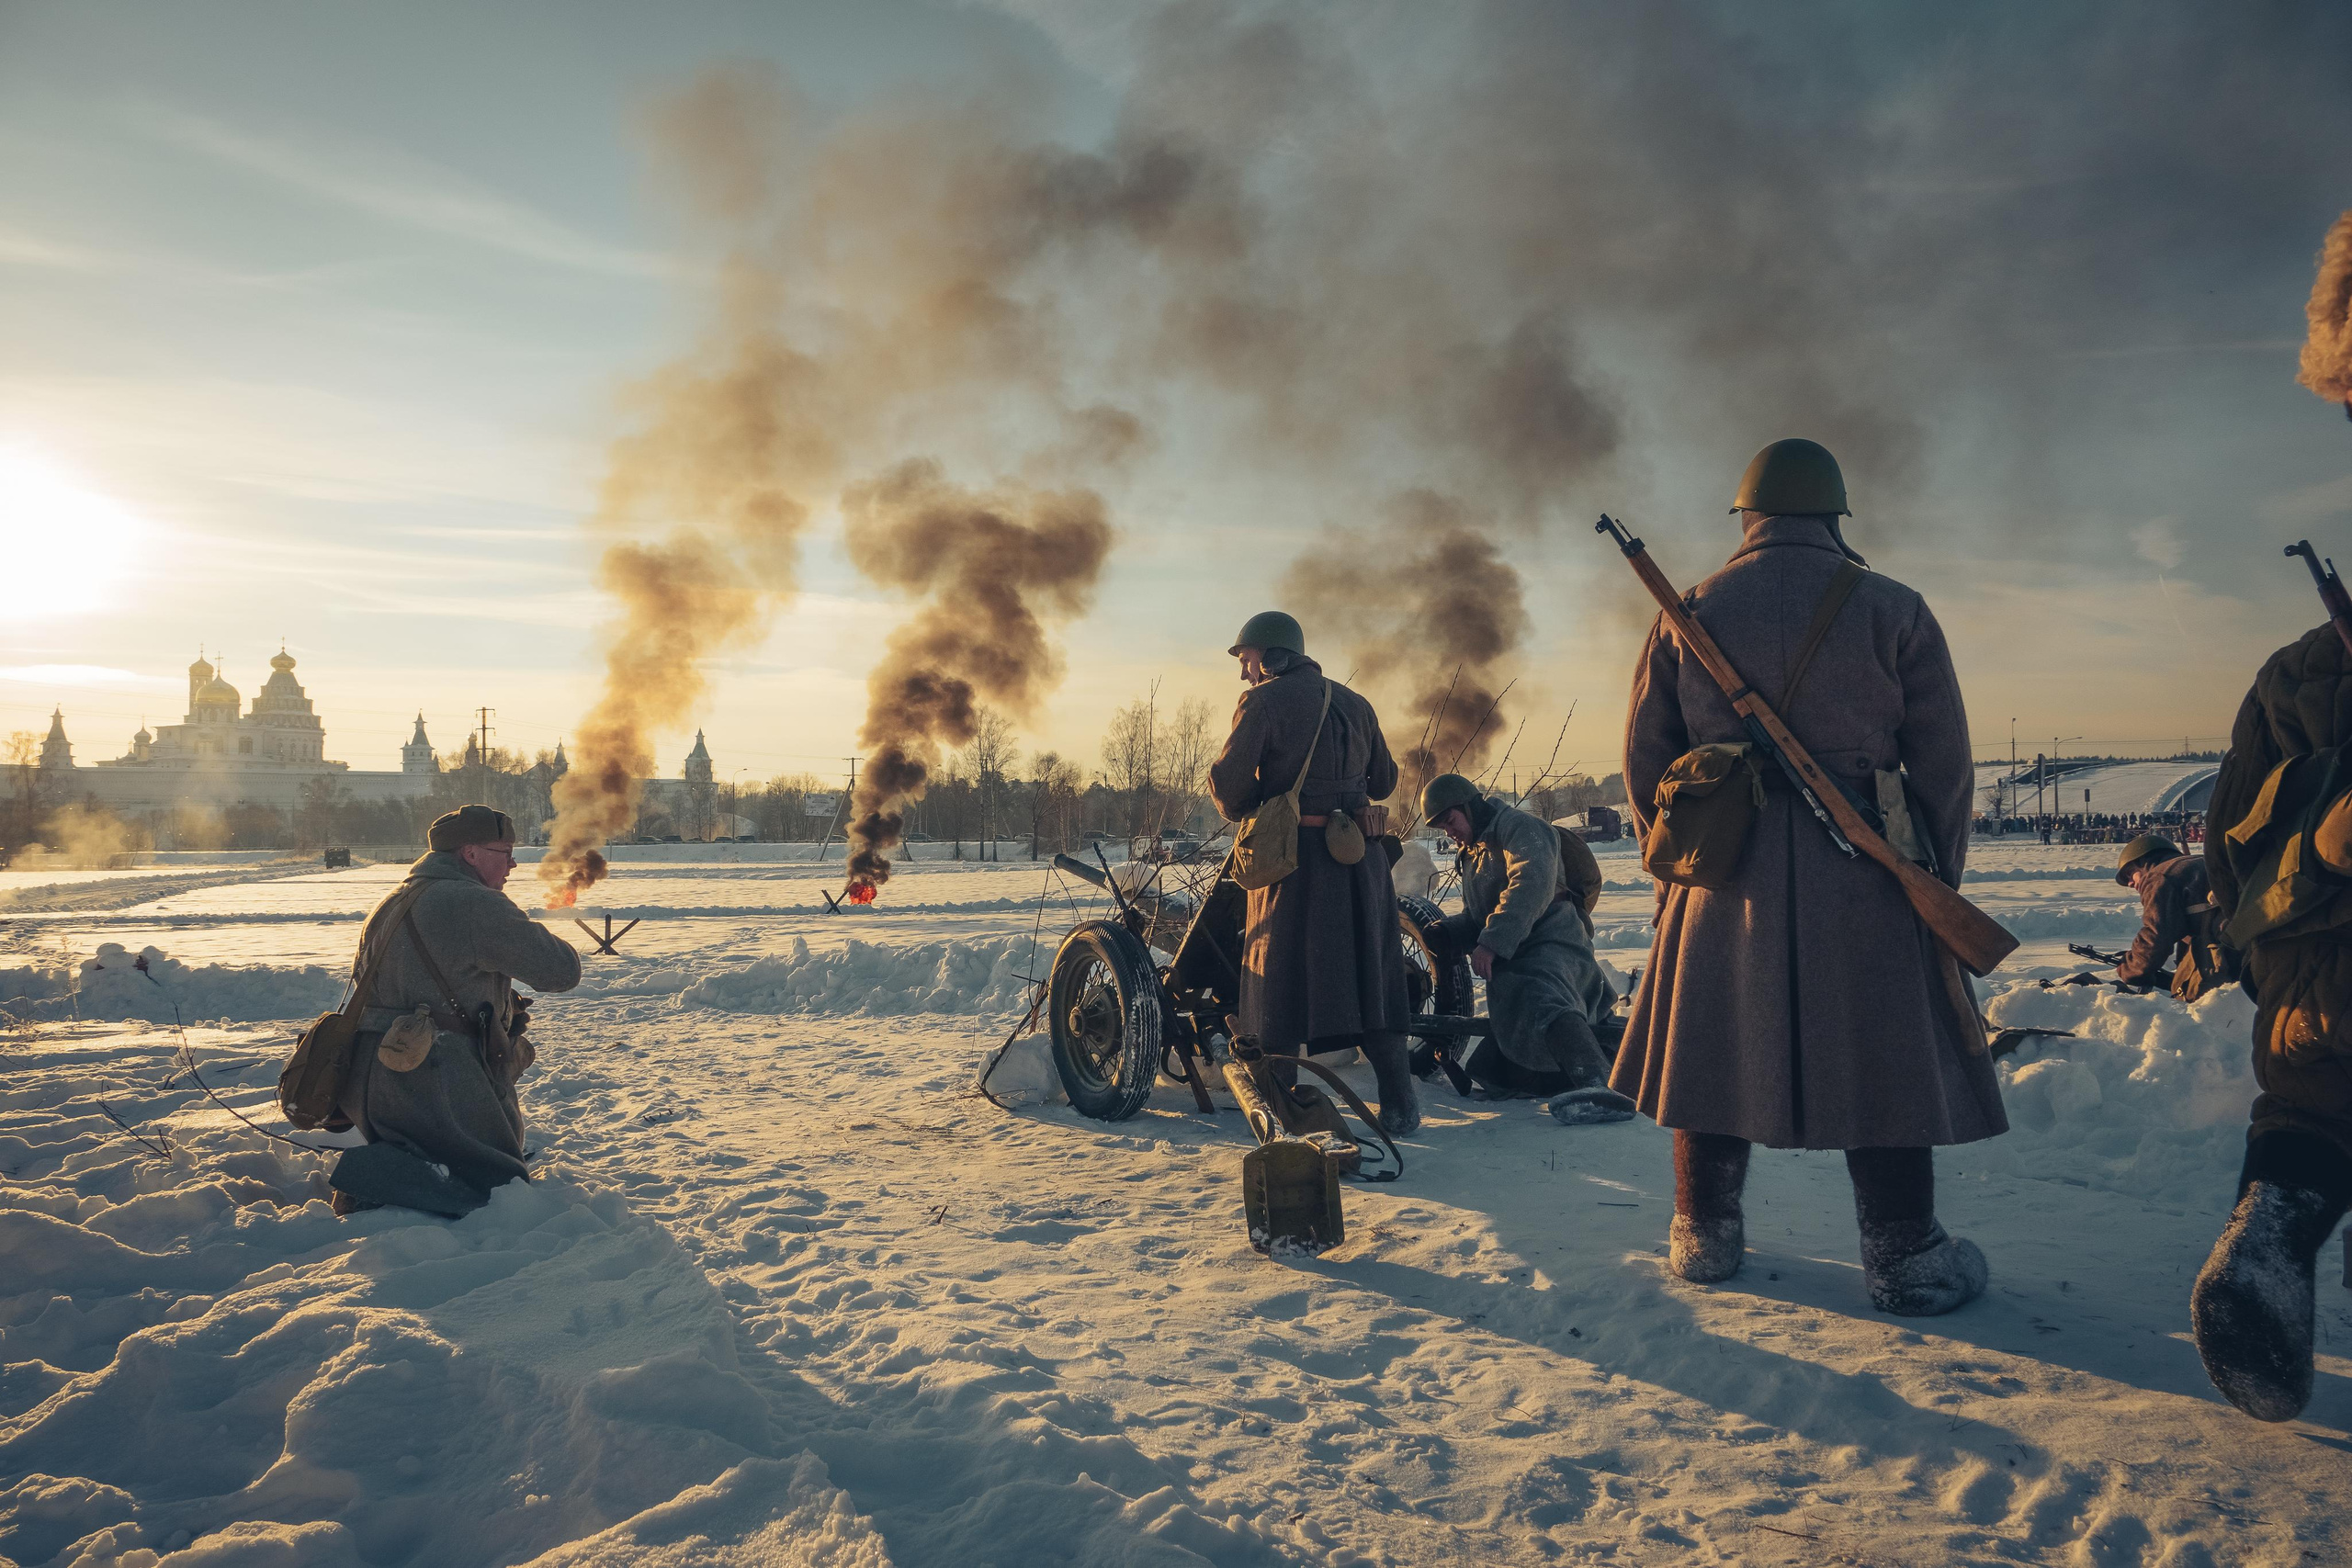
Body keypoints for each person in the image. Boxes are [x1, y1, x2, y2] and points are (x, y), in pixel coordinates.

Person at [1609, 437, 2005, 1315]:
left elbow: (1648, 765)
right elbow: (1944, 767)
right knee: (1887, 1065)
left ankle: (1702, 1234)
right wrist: (1929, 872)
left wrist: (1680, 871)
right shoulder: (1894, 607)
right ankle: (1905, 1257)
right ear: (1834, 516)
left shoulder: (1688, 609)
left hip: (1721, 878)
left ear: (1747, 518)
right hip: (1865, 869)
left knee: (1709, 1050)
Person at [2190, 624, 2352, 1420]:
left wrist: (2269, 964)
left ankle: (2266, 1240)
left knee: (2307, 1110)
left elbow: (2229, 841)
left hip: (2307, 967)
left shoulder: (2294, 669)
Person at [1208, 611, 1419, 1135]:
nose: (1244, 673)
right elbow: (1386, 780)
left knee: (1278, 980)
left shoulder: (1262, 702)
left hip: (1294, 864)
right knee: (1372, 976)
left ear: (1272, 655)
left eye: (1247, 659)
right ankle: (1400, 1107)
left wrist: (1261, 806)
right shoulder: (1356, 702)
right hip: (1361, 864)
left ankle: (1282, 1112)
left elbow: (1230, 786)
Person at [332, 805, 582, 1215]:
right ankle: (371, 1182)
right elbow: (561, 970)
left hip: (376, 1079)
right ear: (470, 853)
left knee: (448, 1161)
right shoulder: (473, 903)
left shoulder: (394, 899)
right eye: (504, 851)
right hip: (440, 1078)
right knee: (493, 1192)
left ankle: (388, 1176)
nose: (513, 863)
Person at [1419, 773, 1634, 1124]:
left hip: (1555, 940)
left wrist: (1490, 943)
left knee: (1540, 994)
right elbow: (1479, 915)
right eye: (1442, 828)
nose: (1450, 832)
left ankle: (1599, 1086)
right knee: (1495, 1065)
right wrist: (1447, 932)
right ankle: (1600, 1063)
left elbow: (1531, 885)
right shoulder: (1472, 854)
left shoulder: (1521, 828)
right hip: (1516, 952)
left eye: (1450, 821)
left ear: (1468, 807)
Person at [2111, 832, 2228, 998]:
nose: (2130, 883)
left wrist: (2130, 969)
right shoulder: (2200, 862)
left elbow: (2156, 934)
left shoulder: (2159, 876)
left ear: (2144, 861)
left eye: (2130, 874)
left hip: (2222, 961)